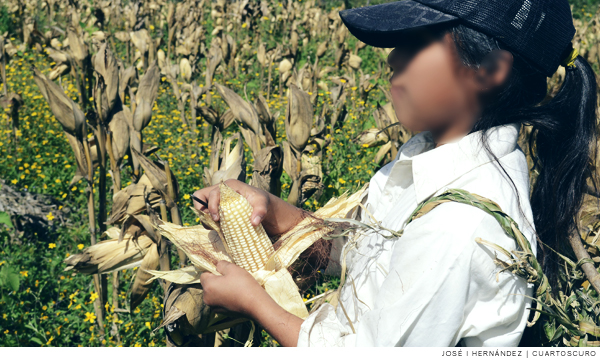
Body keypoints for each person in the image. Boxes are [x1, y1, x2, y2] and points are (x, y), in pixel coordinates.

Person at [192, 0, 599, 347]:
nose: (390, 58)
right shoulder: (427, 161)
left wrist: (255, 303)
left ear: (488, 69)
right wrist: (277, 213)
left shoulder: (459, 225)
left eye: (416, 40)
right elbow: (365, 255)